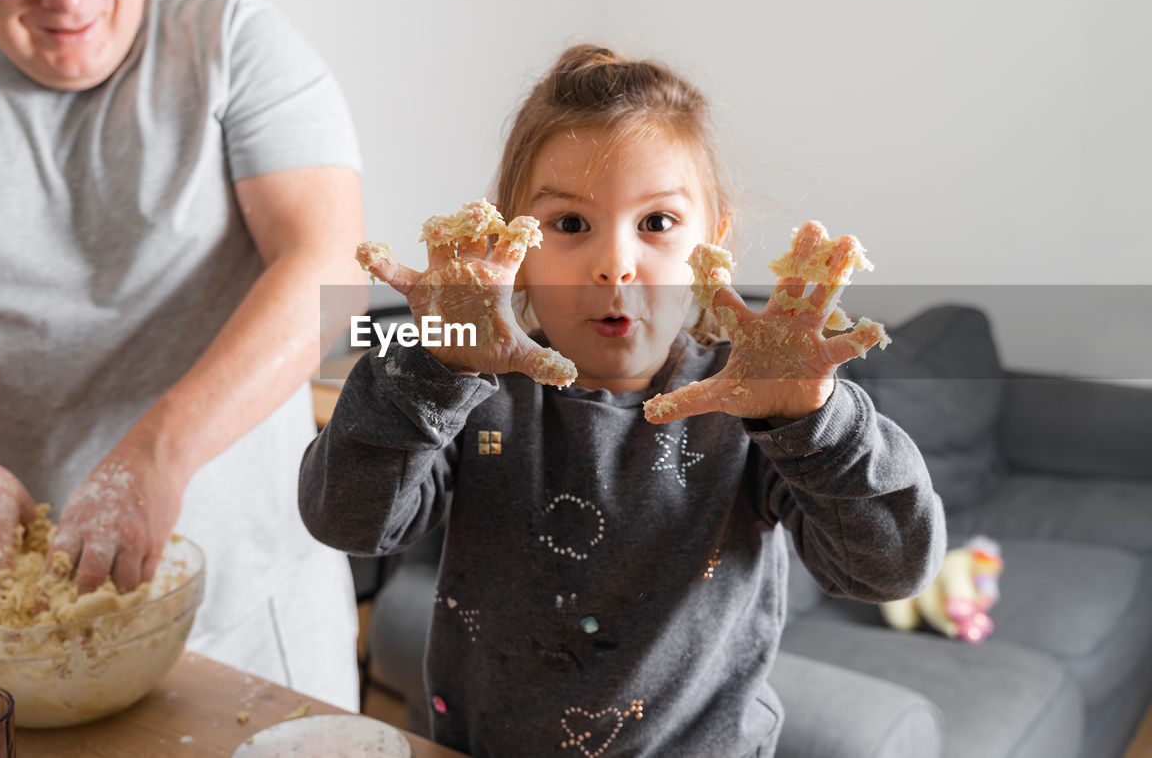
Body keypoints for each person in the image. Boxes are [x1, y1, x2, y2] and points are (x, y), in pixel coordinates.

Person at [299, 45, 945, 753]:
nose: (615, 263)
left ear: (714, 242)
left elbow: (889, 566)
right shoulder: (474, 394)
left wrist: (816, 422)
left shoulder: (752, 404)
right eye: (569, 224)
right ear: (511, 240)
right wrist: (430, 365)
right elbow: (347, 520)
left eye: (658, 223)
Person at [0, 0, 366, 708]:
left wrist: (158, 455)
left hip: (253, 617)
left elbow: (330, 268)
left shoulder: (234, 43)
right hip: (14, 637)